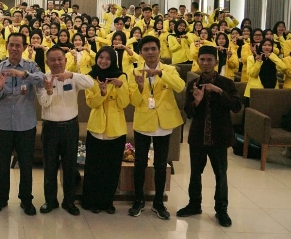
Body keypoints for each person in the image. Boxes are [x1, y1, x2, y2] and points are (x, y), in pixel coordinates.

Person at [179, 45, 243, 227]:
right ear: (198, 61)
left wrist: (219, 91)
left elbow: (237, 106)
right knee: (195, 173)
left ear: (216, 62)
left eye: (209, 60)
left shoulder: (227, 84)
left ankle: (221, 210)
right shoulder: (192, 84)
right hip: (198, 136)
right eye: (202, 60)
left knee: (221, 174)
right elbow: (188, 112)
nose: (205, 63)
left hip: (219, 136)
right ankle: (194, 205)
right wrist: (197, 102)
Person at [0, 32, 47, 216]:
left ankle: (26, 199)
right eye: (11, 45)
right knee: (2, 163)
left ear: (23, 47)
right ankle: (1, 199)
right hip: (3, 124)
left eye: (18, 45)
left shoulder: (31, 66)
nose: (14, 48)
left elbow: (44, 80)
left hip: (25, 125)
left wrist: (24, 74)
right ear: (7, 46)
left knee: (26, 164)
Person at [128, 36, 185, 220]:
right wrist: (140, 87)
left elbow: (180, 87)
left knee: (161, 164)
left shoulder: (169, 69)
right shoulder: (135, 71)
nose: (150, 52)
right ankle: (138, 200)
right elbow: (134, 101)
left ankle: (158, 203)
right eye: (146, 49)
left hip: (164, 122)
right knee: (140, 164)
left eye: (153, 48)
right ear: (141, 52)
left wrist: (161, 74)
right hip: (143, 121)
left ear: (159, 50)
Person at [36, 46, 94, 215]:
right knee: (50, 166)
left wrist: (72, 75)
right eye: (52, 60)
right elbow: (43, 103)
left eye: (60, 59)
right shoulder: (43, 80)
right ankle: (50, 201)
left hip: (70, 127)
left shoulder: (73, 78)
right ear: (47, 62)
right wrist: (49, 91)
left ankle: (69, 201)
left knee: (69, 166)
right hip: (50, 128)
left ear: (65, 60)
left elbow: (90, 83)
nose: (56, 63)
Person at [81, 46, 129, 214]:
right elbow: (91, 104)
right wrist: (101, 93)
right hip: (96, 127)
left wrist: (121, 86)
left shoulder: (122, 76)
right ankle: (91, 200)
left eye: (108, 58)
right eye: (101, 57)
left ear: (113, 61)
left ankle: (107, 201)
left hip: (116, 129)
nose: (103, 61)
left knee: (112, 168)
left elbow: (124, 103)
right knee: (94, 167)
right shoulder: (90, 78)